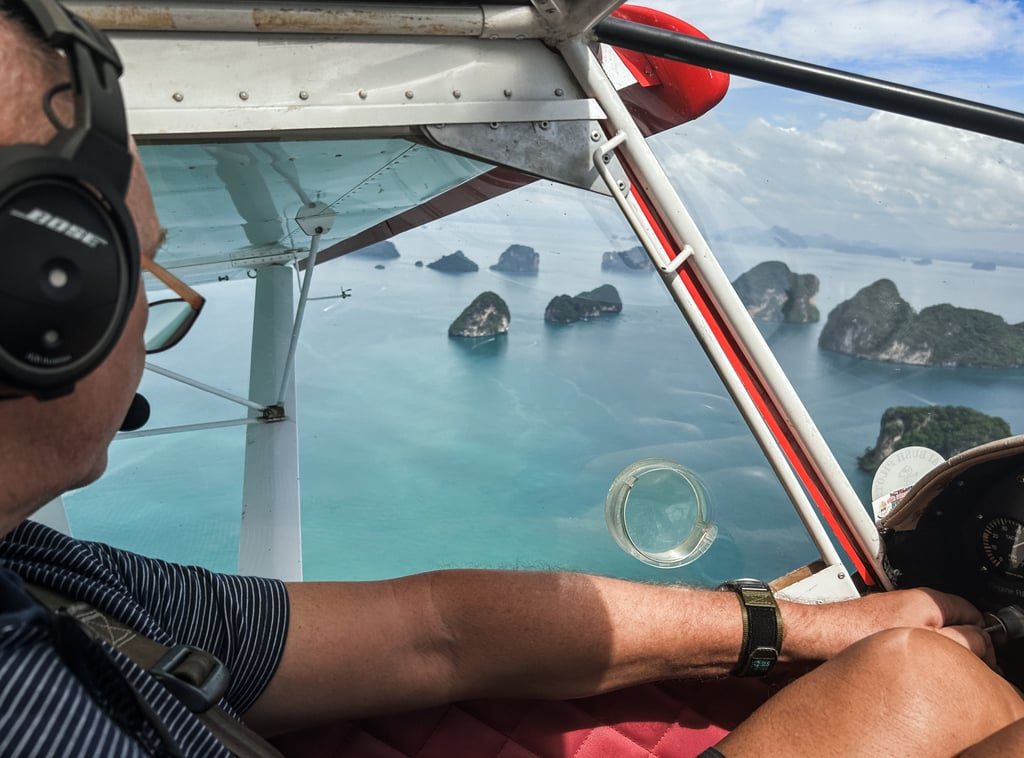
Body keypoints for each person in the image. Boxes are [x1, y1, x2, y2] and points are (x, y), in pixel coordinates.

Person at [1, 2, 1023, 756]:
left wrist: (798, 625)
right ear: (46, 298)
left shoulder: (47, 574)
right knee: (915, 687)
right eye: (136, 258)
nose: (162, 300)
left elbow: (430, 631)